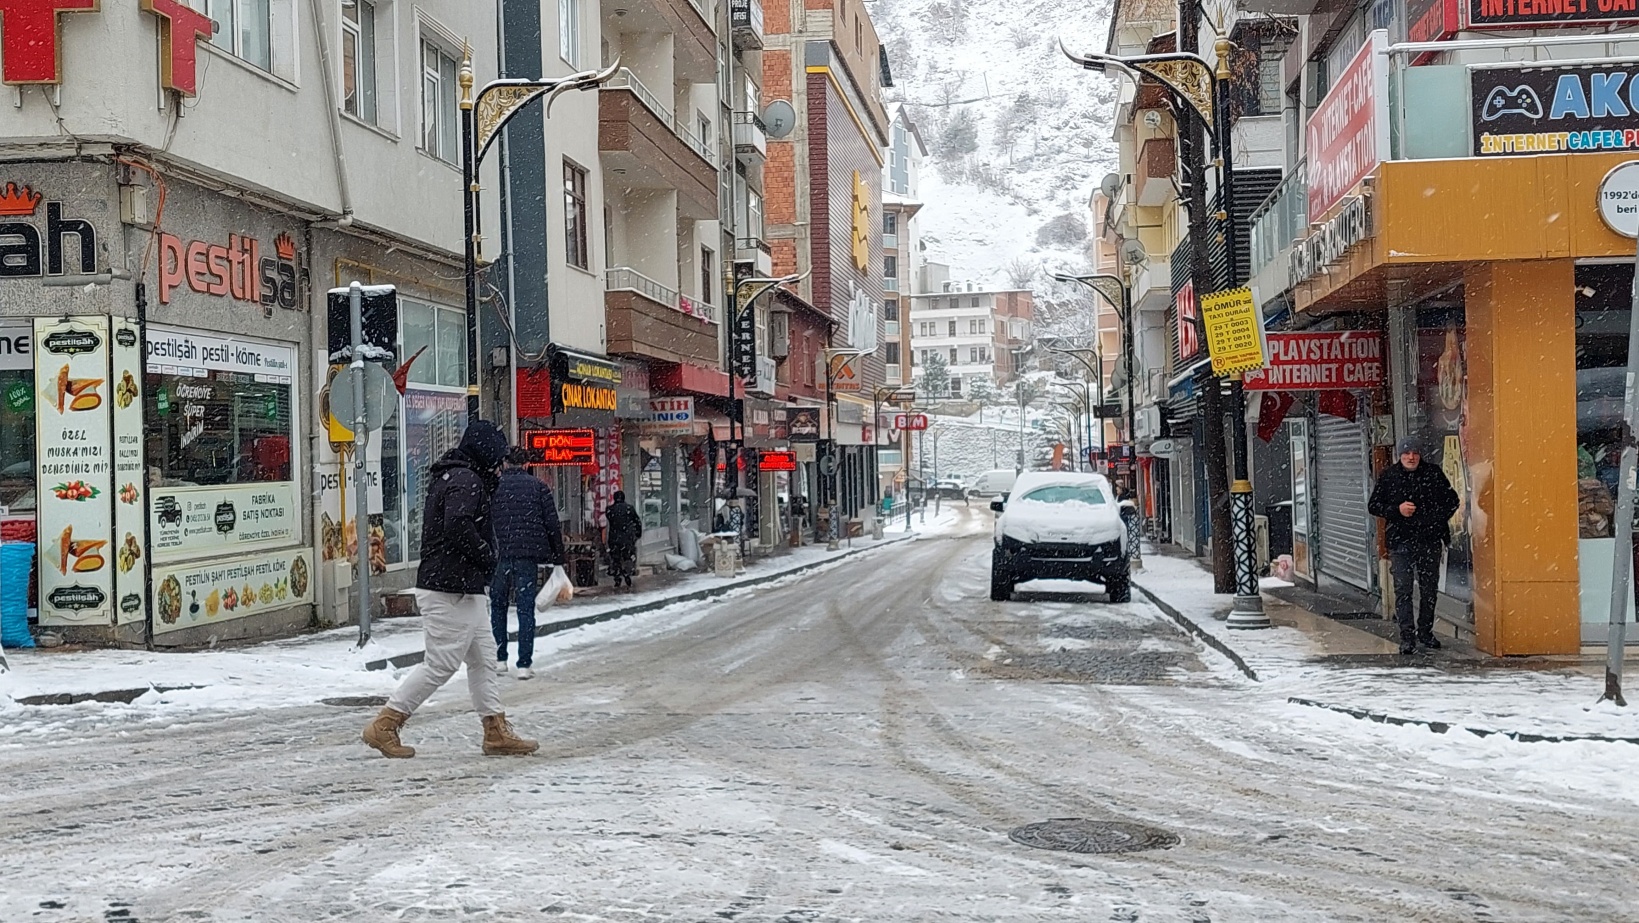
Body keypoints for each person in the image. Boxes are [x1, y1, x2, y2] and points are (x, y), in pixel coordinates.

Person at [362, 421, 538, 758]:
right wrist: (487, 557)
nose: (501, 466)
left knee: (484, 659)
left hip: (462, 587)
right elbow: (457, 525)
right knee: (441, 663)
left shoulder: (462, 476)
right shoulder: (464, 480)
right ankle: (385, 723)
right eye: (498, 459)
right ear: (485, 453)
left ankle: (495, 730)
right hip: (449, 587)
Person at [1368, 438, 1460, 655]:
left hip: (1429, 540)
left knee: (1429, 589)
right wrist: (1396, 510)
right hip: (1401, 542)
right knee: (1403, 590)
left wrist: (1435, 519)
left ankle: (1425, 632)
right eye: (1407, 453)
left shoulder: (1433, 474)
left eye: (1415, 453)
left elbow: (1452, 500)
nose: (1411, 457)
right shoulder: (1390, 476)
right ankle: (1407, 636)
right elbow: (1374, 505)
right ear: (1400, 455)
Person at [488, 446, 566, 680]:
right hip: (527, 555)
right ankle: (524, 664)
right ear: (525, 464)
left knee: (498, 605)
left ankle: (500, 658)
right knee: (525, 608)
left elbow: (484, 521)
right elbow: (552, 524)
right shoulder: (538, 487)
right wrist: (558, 558)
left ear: (505, 464)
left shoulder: (493, 487)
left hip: (499, 555)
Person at [603, 490, 643, 588]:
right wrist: (637, 534)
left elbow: (610, 519)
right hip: (627, 538)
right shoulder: (629, 509)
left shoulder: (609, 510)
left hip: (614, 538)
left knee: (615, 558)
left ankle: (617, 576)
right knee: (627, 557)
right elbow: (637, 521)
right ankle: (627, 573)